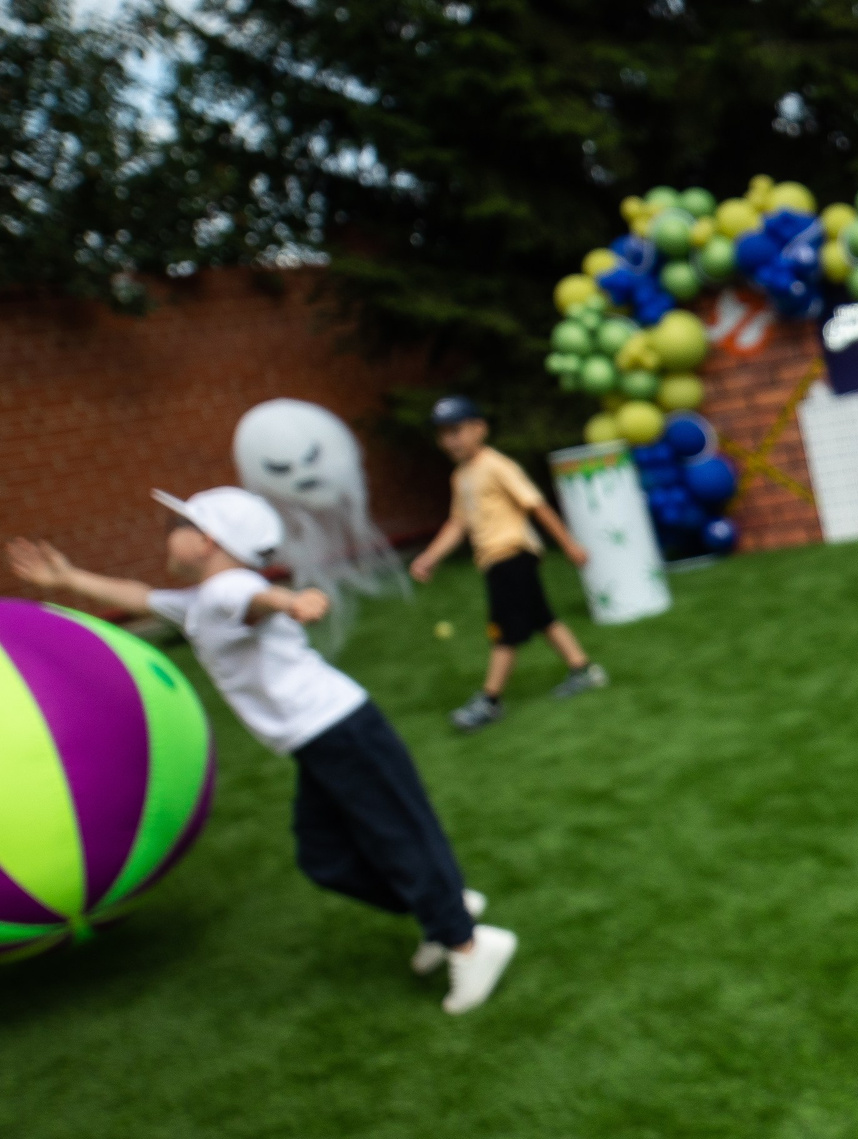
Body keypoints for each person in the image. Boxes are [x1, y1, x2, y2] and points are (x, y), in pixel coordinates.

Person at [7, 489, 518, 1013]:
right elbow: (141, 597)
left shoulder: (229, 589)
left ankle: (469, 944)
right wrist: (68, 580)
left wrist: (290, 602)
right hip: (321, 740)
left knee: (396, 836)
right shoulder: (201, 602)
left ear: (207, 540)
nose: (165, 534)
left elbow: (251, 599)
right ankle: (444, 910)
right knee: (325, 856)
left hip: (340, 732)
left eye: (174, 526)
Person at [407, 395, 608, 731]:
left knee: (504, 631)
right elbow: (458, 523)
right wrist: (430, 557)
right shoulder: (461, 476)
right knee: (542, 617)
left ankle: (490, 700)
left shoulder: (497, 466)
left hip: (511, 556)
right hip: (495, 560)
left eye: (456, 430)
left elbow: (536, 505)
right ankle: (584, 669)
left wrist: (569, 545)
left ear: (480, 428)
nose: (450, 440)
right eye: (443, 434)